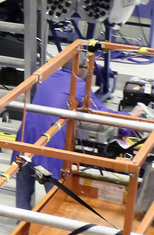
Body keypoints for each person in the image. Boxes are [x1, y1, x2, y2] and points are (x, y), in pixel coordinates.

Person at [15, 65, 111, 209]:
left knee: (23, 189)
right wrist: (132, 116)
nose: (88, 72)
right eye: (86, 67)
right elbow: (100, 111)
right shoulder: (78, 84)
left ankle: (20, 223)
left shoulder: (49, 76)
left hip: (25, 138)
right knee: (54, 194)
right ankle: (49, 226)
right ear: (79, 67)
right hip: (49, 144)